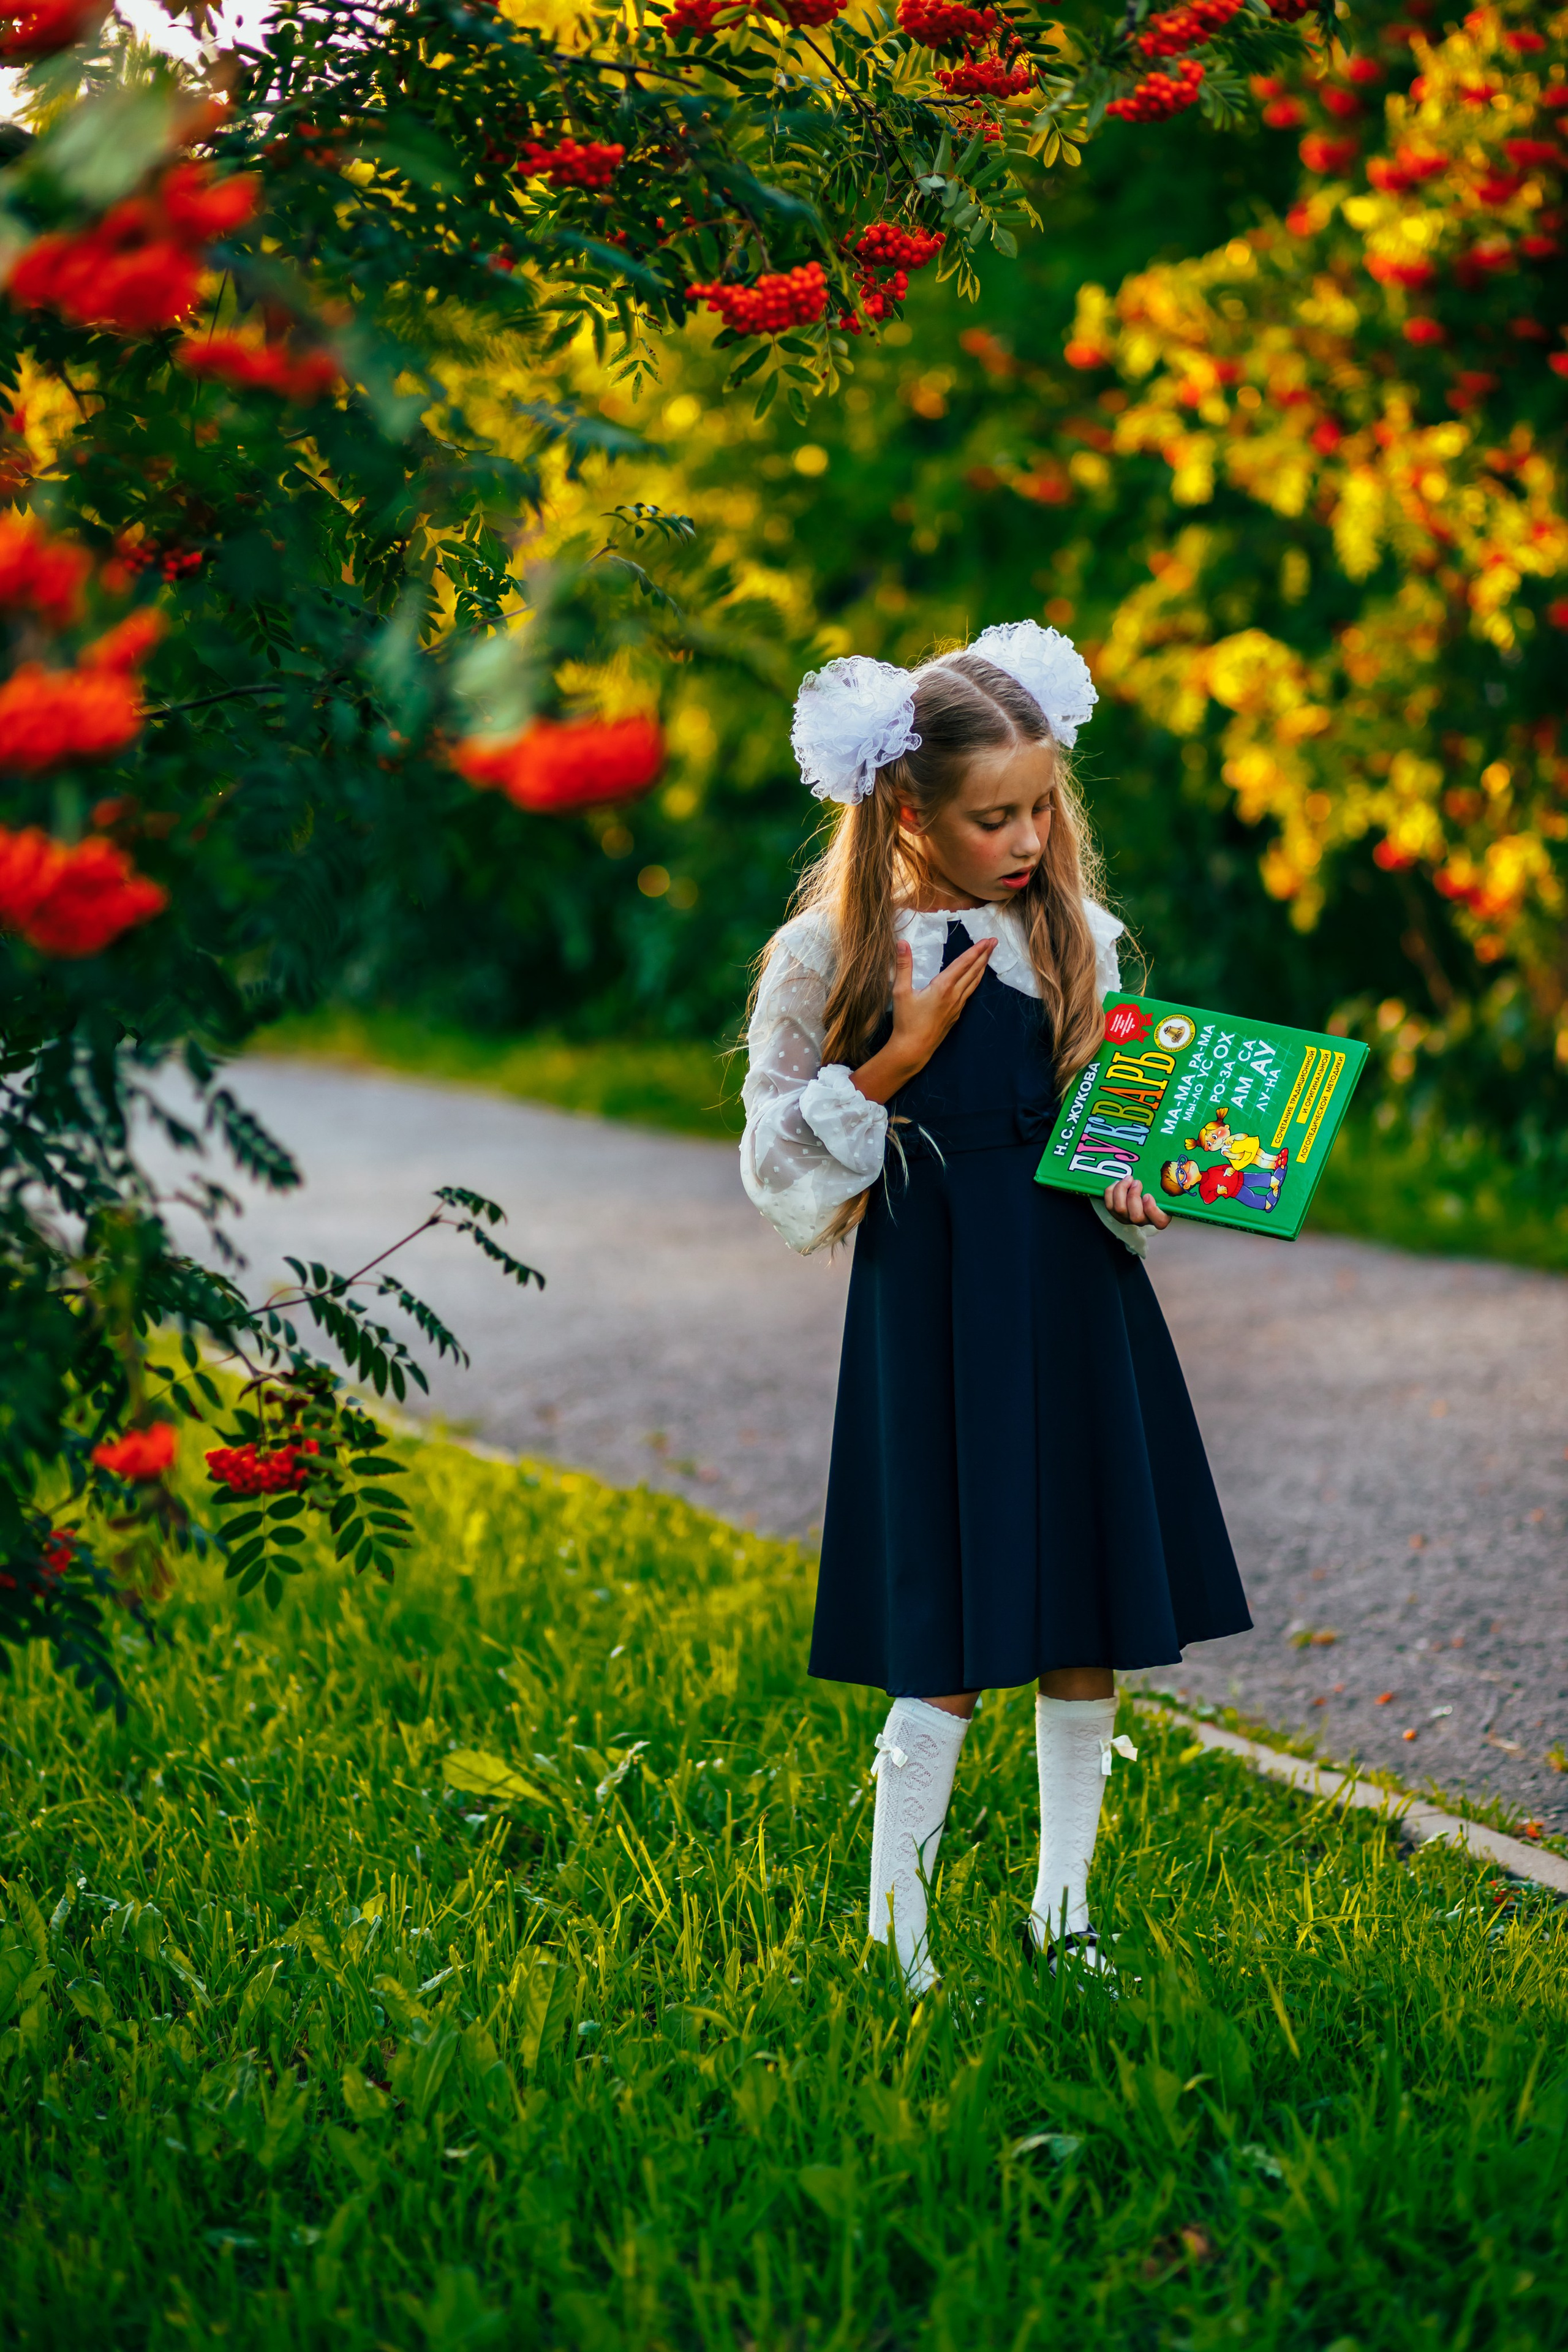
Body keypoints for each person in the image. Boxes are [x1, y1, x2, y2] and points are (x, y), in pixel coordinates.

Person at [740, 624, 1251, 1994]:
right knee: (947, 1619)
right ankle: (896, 1941)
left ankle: (1063, 1916)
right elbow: (773, 1161)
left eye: (1040, 808)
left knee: (1084, 1614)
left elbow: (1113, 1137)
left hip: (1075, 1298)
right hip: (935, 1311)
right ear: (909, 812)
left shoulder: (1078, 938)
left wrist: (1135, 1187)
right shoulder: (829, 953)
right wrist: (889, 1064)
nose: (1026, 839)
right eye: (993, 817)